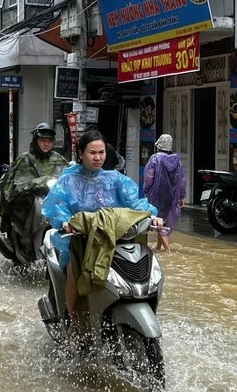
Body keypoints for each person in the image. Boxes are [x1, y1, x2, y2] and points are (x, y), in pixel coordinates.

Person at [42, 129, 162, 331]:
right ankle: (74, 326)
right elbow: (55, 206)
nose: (98, 157)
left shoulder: (116, 179)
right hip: (78, 243)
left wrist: (151, 215)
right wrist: (65, 222)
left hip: (115, 240)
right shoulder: (68, 181)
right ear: (81, 154)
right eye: (92, 153)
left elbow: (135, 202)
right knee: (74, 272)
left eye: (101, 152)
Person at [0, 123, 68, 257]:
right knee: (29, 210)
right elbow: (14, 186)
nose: (46, 144)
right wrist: (38, 183)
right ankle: (26, 245)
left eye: (49, 141)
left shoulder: (58, 159)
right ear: (36, 141)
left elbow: (69, 178)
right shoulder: (24, 159)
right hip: (28, 200)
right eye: (43, 141)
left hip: (55, 200)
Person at [142, 134, 186, 253]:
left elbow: (148, 176)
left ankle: (168, 251)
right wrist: (181, 196)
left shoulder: (155, 158)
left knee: (159, 219)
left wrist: (146, 189)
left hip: (157, 193)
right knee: (164, 218)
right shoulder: (177, 161)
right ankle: (158, 246)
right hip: (171, 194)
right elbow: (181, 181)